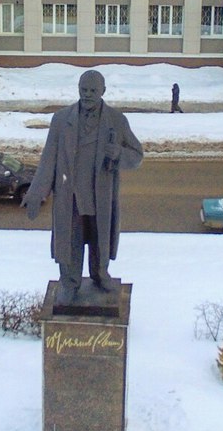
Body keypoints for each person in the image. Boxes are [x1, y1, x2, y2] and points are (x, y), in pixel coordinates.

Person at [23, 70, 144, 301]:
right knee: (70, 242)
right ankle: (69, 283)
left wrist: (118, 153)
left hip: (100, 197)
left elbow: (137, 155)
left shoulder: (117, 121)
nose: (87, 95)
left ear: (103, 92)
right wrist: (37, 193)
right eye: (84, 90)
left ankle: (100, 275)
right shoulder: (61, 120)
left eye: (93, 91)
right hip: (70, 197)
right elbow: (49, 159)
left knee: (100, 241)